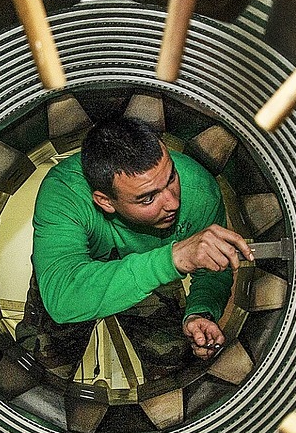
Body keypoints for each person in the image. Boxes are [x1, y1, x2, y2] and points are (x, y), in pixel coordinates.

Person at [16, 116, 252, 381]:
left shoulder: (199, 190)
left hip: (151, 274)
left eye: (171, 177)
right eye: (148, 197)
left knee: (175, 366)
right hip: (80, 279)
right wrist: (171, 260)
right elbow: (64, 296)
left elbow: (212, 267)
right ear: (105, 202)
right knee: (37, 374)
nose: (172, 202)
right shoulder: (64, 192)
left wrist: (201, 310)